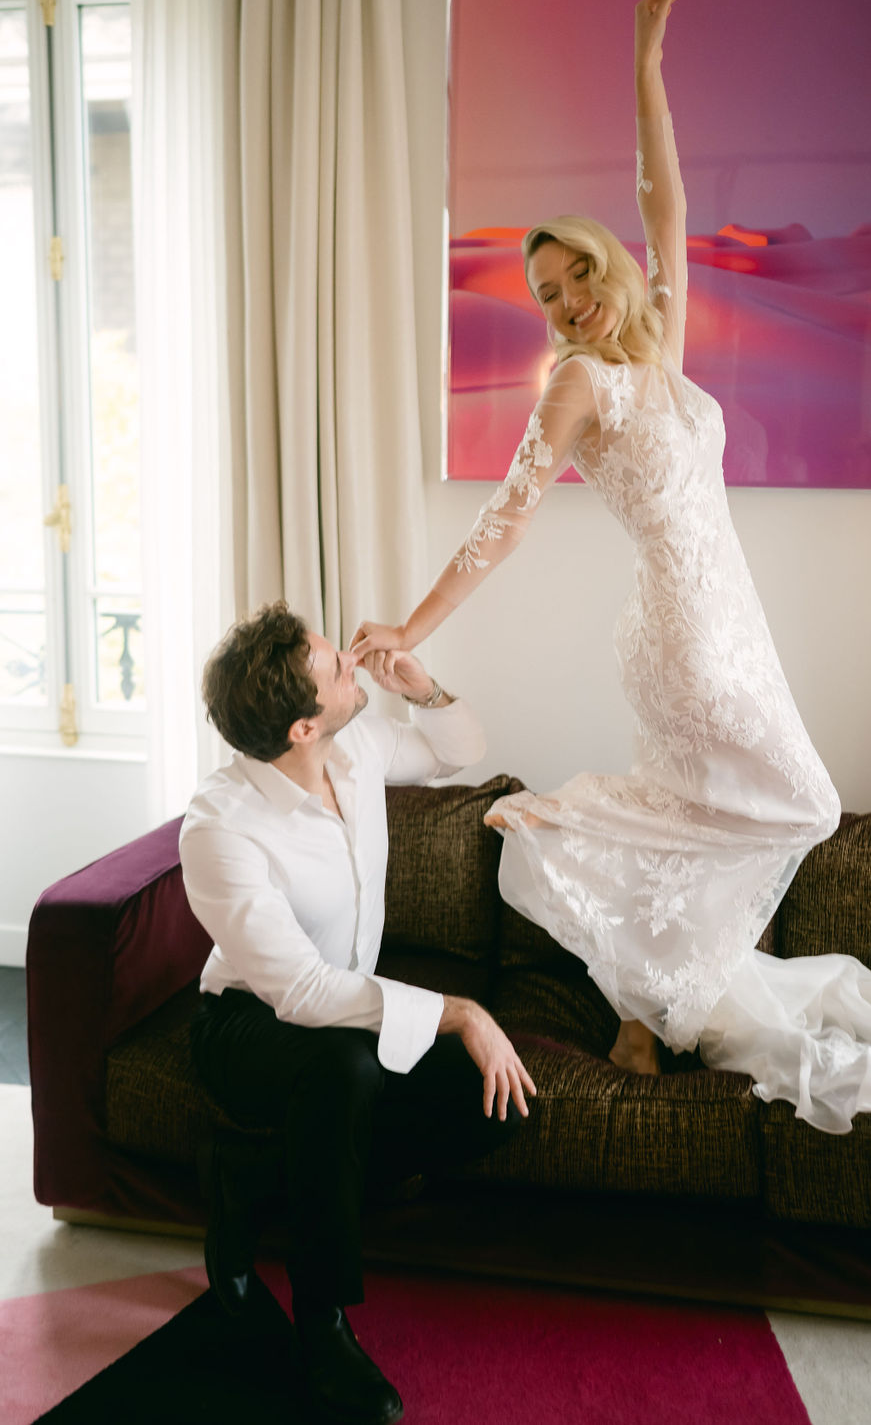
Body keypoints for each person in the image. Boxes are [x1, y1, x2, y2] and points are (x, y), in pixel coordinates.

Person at [350, 0, 871, 1203]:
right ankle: (605, 917)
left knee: (741, 819)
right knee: (786, 808)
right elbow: (501, 527)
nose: (564, 305)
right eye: (545, 297)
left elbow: (666, 197)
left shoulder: (653, 345)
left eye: (572, 280)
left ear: (606, 268)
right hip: (689, 633)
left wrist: (648, 63)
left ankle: (642, 1011)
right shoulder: (577, 387)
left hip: (724, 626)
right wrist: (411, 626)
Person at [180, 601, 535, 1425]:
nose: (353, 657)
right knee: (342, 1070)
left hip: (343, 1015)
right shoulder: (220, 825)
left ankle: (249, 1180)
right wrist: (458, 1011)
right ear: (302, 727)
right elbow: (300, 994)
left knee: (500, 1103)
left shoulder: (357, 749)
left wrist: (421, 684)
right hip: (245, 1022)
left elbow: (463, 749)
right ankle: (322, 1326)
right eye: (335, 664)